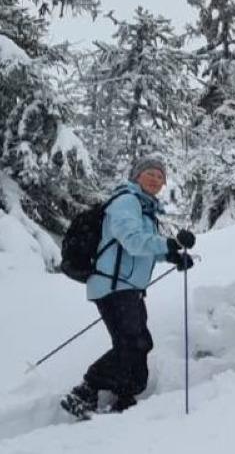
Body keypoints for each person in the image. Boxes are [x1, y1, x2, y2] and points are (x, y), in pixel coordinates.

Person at [62, 158, 196, 419]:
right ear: (136, 176)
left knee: (136, 344)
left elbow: (140, 251)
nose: (156, 180)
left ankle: (125, 397)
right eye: (150, 174)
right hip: (113, 286)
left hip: (127, 288)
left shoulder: (145, 209)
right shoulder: (126, 202)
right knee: (134, 343)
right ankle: (86, 390)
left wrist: (172, 257)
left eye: (160, 176)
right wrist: (170, 243)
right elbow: (133, 242)